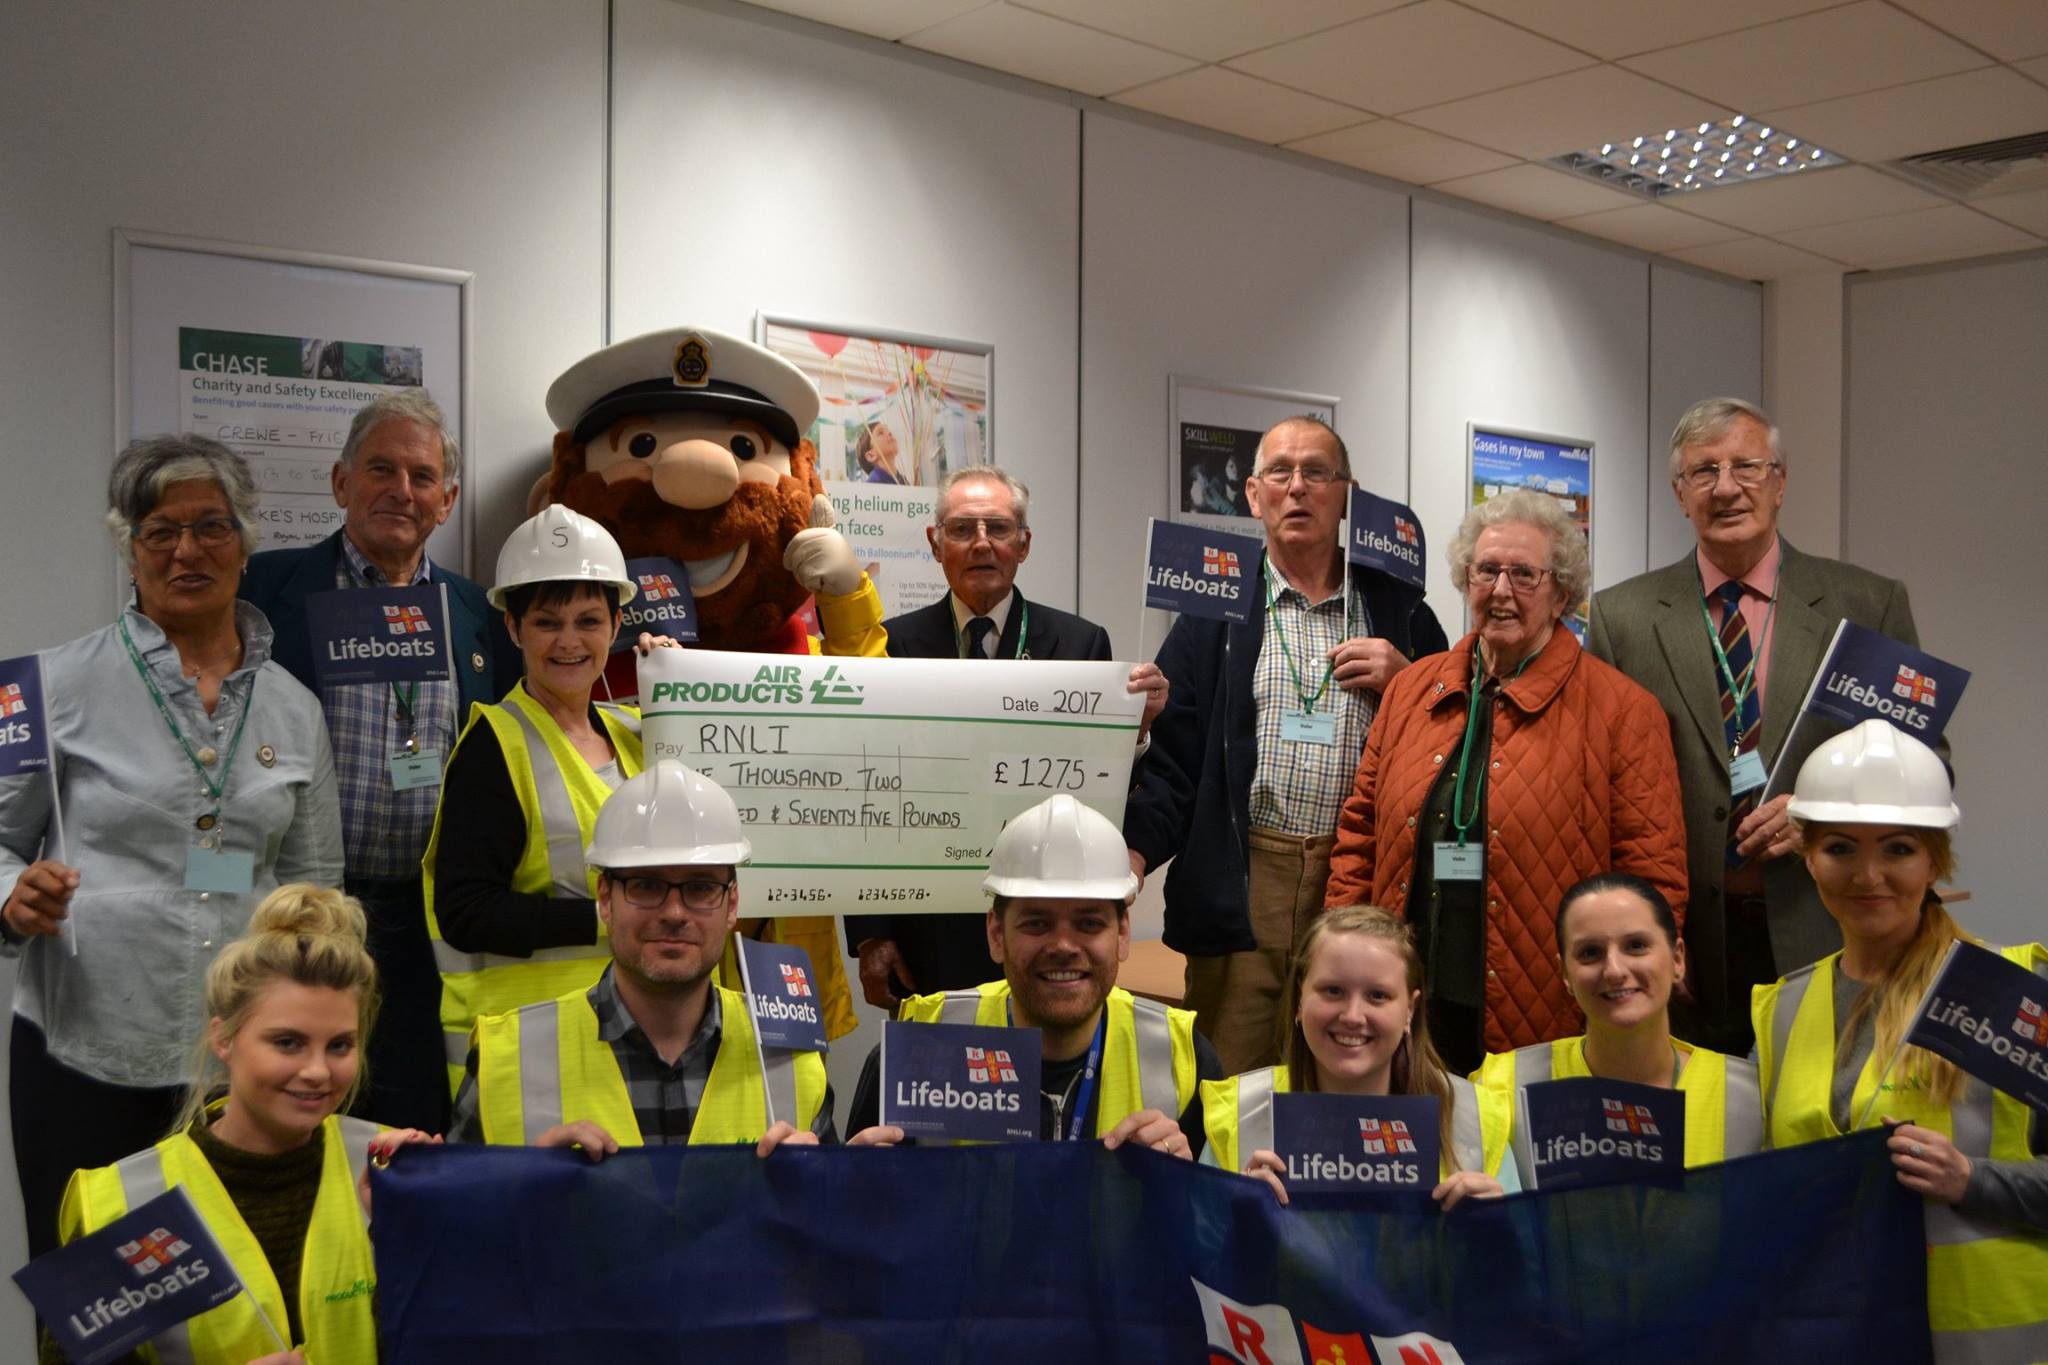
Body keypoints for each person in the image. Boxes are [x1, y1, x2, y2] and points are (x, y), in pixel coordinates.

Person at [1, 435, 342, 1256]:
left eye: (211, 526)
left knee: (239, 1293)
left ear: (245, 541)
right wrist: (12, 895)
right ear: (129, 548)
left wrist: (314, 1046)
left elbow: (317, 887)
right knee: (96, 1301)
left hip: (244, 1067)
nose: (187, 548)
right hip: (85, 1051)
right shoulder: (42, 684)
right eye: (159, 530)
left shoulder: (296, 709)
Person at [1589, 397, 1936, 1056]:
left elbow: (1925, 761)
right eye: (1703, 471)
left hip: (1828, 922)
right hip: (1683, 944)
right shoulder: (1621, 618)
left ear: (1779, 481)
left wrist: (1820, 809)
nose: (1726, 487)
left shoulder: (1866, 604)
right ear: (1678, 493)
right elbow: (1597, 788)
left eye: (1746, 465)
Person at [1125, 417, 1447, 1076]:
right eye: (1280, 472)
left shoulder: (1400, 609)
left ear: (1347, 493)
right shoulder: (1211, 611)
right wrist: (1128, 859)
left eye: (1317, 472)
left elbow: (1458, 734)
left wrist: (1409, 678)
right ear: (1252, 493)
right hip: (1247, 883)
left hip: (1360, 877)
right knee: (1228, 1083)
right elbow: (1174, 767)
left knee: (1351, 1075)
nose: (1297, 487)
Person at [1324, 489, 1686, 1075]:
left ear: (1561, 591)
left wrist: (1630, 988)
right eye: (1486, 570)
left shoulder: (1623, 712)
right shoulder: (1411, 691)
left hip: (1546, 1010)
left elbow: (1654, 875)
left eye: (1524, 574)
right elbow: (1359, 834)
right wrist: (1339, 956)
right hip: (1402, 1000)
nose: (1500, 590)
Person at [241, 389, 517, 1133]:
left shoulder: (476, 612)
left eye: (422, 476)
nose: (402, 490)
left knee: (413, 1118)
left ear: (448, 499)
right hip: (307, 907)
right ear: (341, 483)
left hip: (429, 918)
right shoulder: (265, 589)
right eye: (381, 469)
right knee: (299, 1110)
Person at [1754, 719, 2046, 1362]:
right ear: (1806, 855)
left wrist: (1972, 1179)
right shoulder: (1781, 1009)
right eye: (1840, 848)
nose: (1867, 876)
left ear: (1936, 858)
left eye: (1897, 849)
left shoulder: (2014, 992)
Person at [47, 884, 435, 1365]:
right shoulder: (126, 1201)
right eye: (288, 1043)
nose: (317, 1071)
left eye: (339, 1045)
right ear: (223, 1039)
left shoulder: (389, 1166)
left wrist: (428, 1229)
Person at [847, 465, 1168, 1006]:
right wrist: (872, 933)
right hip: (927, 922)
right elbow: (868, 788)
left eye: (997, 529)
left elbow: (1105, 785)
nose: (980, 544)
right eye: (961, 529)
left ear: (1023, 545)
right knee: (938, 1079)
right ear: (934, 542)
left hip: (1043, 916)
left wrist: (1137, 732)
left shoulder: (1080, 643)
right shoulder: (891, 644)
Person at [451, 761, 867, 1154]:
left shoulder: (791, 1057)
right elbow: (446, 1222)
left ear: (732, 903)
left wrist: (851, 1185)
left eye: (701, 888)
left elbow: (826, 1224)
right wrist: (516, 1187)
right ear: (605, 900)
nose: (673, 913)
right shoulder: (506, 1058)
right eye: (646, 885)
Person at [847, 794, 1222, 1153]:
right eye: (1037, 923)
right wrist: (850, 1186)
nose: (1063, 946)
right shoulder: (916, 1049)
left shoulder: (1181, 1057)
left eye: (1089, 923)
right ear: (996, 934)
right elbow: (863, 1209)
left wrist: (1187, 1188)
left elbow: (1220, 1217)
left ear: (1122, 933)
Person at [422, 504, 646, 1093]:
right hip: (530, 1054)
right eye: (548, 622)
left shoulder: (637, 733)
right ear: (515, 629)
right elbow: (465, 913)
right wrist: (614, 917)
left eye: (588, 620)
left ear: (616, 625)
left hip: (640, 1038)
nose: (569, 642)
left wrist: (677, 686)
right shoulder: (494, 745)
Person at [1201, 905, 1507, 1208]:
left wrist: (1498, 1229)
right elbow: (1199, 1252)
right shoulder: (1237, 1115)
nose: (1353, 1016)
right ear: (1298, 999)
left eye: (1377, 995)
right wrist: (1234, 1220)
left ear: (1410, 1011)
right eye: (1333, 990)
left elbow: (1529, 1255)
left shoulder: (1476, 1119)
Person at [1473, 873, 1762, 1180]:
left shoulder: (1749, 1097)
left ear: (1678, 959)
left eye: (1636, 946)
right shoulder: (1501, 1087)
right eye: (1590, 953)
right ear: (1565, 974)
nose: (1614, 970)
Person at [854, 421, 906, 485]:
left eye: (888, 430)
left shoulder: (903, 481)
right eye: (880, 433)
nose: (889, 433)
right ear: (871, 455)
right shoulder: (872, 486)